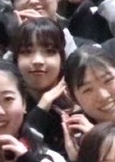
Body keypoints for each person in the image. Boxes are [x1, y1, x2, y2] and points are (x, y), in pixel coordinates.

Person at [10, 17, 73, 154]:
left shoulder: (77, 104)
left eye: (49, 51)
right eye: (27, 52)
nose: (38, 61)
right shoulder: (8, 108)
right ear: (16, 60)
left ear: (62, 59)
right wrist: (41, 110)